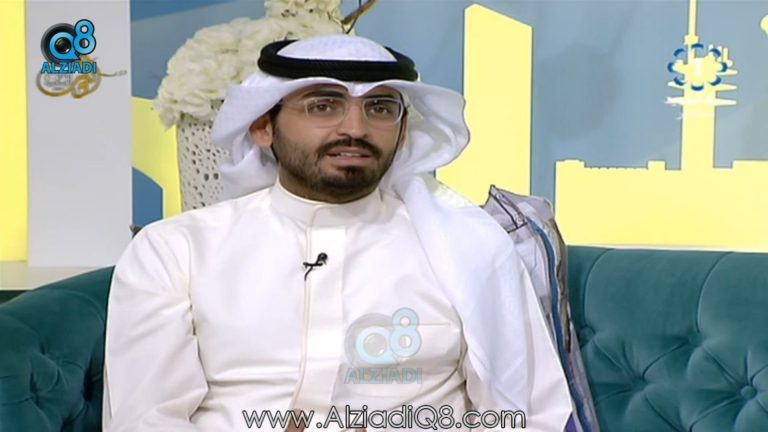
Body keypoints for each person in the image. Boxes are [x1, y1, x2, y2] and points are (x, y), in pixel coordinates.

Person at [103, 35, 572, 431]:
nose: (355, 128)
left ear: (402, 134)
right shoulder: (176, 250)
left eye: (380, 108)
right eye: (323, 106)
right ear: (263, 125)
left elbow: (532, 414)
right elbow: (145, 420)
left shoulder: (469, 249)